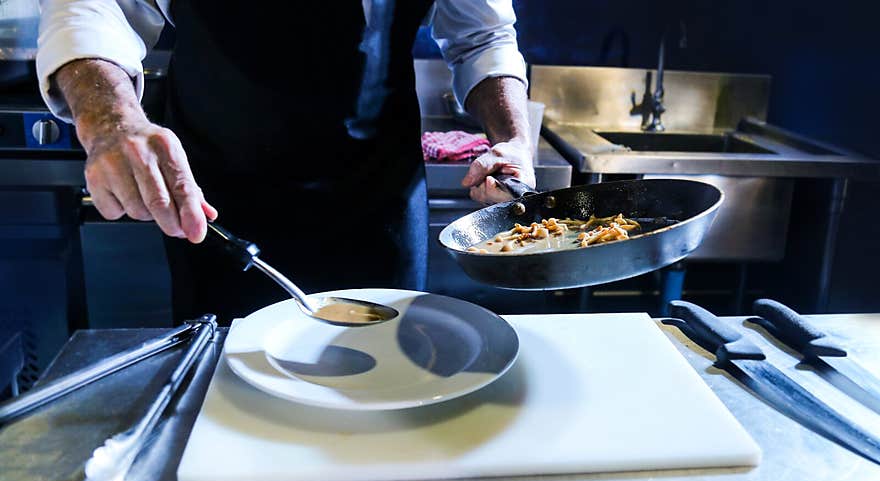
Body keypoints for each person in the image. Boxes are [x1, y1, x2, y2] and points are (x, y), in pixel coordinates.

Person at [37, 1, 535, 323]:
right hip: (222, 209)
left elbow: (483, 37)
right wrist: (112, 120)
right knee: (228, 400)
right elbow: (89, 8)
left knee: (386, 394)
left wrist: (512, 138)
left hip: (378, 199)